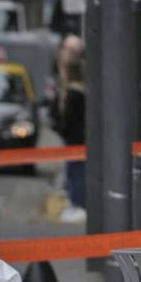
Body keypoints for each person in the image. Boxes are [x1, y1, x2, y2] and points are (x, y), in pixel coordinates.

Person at [56, 57, 86, 223]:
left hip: (74, 139)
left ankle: (77, 203)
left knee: (75, 172)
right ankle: (76, 201)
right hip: (78, 138)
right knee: (75, 171)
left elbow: (68, 120)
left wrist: (62, 129)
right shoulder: (80, 91)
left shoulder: (73, 94)